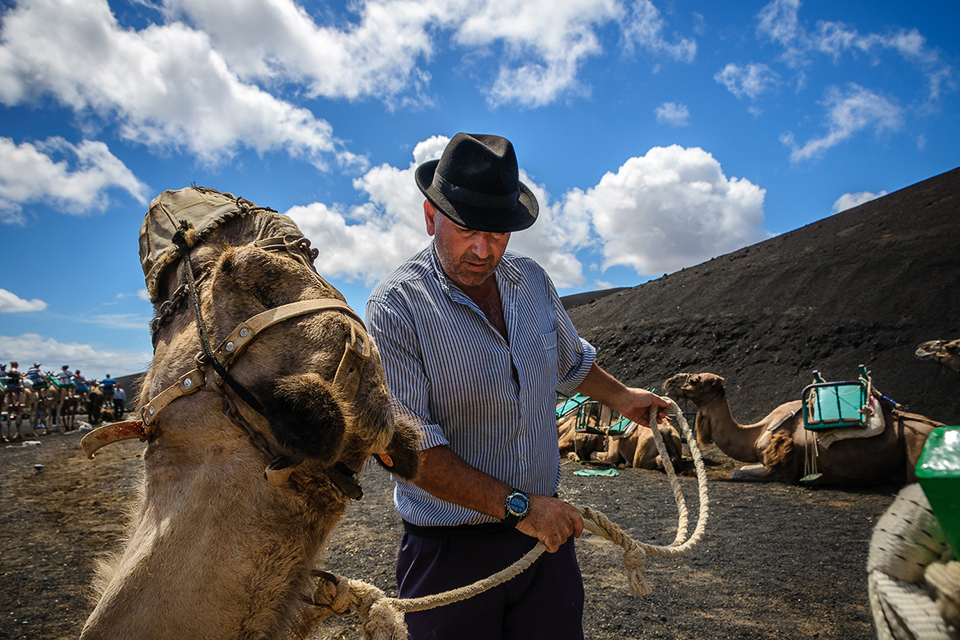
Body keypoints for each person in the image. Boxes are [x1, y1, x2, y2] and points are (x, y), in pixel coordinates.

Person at [365, 132, 669, 640]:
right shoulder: (396, 308)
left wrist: (623, 398)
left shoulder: (531, 282)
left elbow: (569, 363)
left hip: (542, 545)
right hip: (451, 552)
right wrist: (522, 509)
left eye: (499, 233)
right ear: (430, 216)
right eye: (466, 229)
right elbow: (410, 449)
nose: (483, 250)